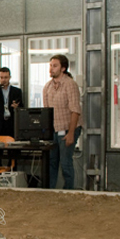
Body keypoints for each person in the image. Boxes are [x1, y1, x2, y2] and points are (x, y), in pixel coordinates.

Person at [43, 55, 82, 190]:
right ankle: (51, 192)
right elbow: (46, 112)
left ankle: (69, 191)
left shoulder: (70, 84)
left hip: (67, 129)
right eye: (50, 65)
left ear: (63, 68)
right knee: (52, 162)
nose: (51, 69)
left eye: (55, 66)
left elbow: (75, 110)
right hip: (53, 130)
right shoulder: (47, 87)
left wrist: (71, 133)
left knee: (65, 163)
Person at [0, 67, 22, 138]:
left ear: (10, 77)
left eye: (6, 77)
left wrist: (16, 107)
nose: (3, 80)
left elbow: (21, 107)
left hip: (11, 124)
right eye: (1, 77)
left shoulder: (16, 91)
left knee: (13, 147)